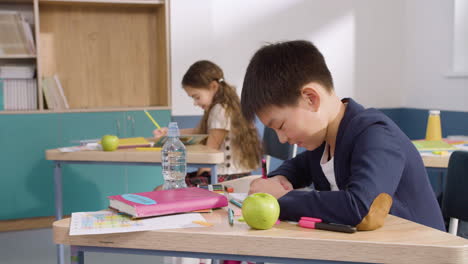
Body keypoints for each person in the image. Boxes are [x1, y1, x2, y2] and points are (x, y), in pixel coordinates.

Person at [240, 40, 445, 231]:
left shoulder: (376, 134)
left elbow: (361, 207)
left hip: (417, 253)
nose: (282, 139)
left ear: (311, 99)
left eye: (281, 126)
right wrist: (280, 178)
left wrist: (283, 198)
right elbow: (300, 166)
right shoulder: (324, 142)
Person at [154, 60, 262, 187]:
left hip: (227, 179)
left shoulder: (220, 111)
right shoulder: (224, 107)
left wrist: (199, 171)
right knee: (167, 187)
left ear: (213, 87)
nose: (195, 103)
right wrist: (169, 132)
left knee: (162, 189)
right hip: (233, 175)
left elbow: (209, 154)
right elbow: (197, 131)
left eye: (197, 97)